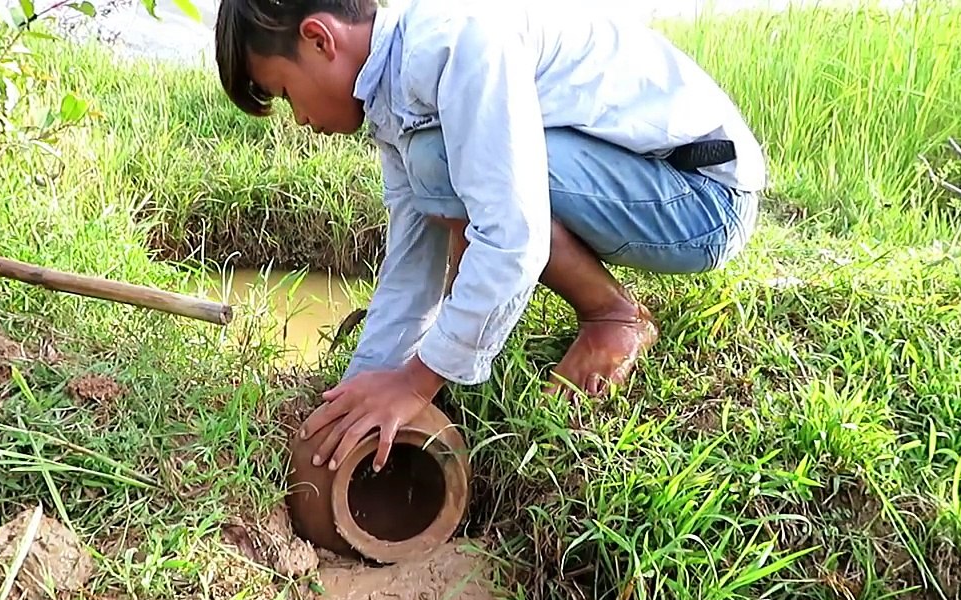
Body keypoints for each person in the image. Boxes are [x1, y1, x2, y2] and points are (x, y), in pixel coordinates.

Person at [213, 0, 765, 474]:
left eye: (284, 94)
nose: (300, 121)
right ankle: (469, 346)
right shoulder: (397, 88)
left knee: (449, 161)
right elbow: (412, 263)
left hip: (699, 199)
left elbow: (511, 234)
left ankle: (612, 316)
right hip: (637, 183)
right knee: (443, 163)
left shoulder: (456, 40)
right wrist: (364, 386)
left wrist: (418, 381)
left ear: (318, 39)